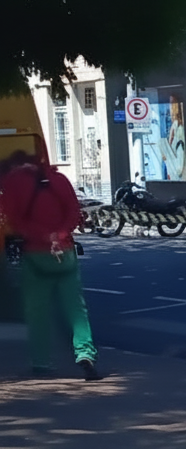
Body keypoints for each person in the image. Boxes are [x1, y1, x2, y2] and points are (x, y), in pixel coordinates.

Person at [0, 151, 102, 380]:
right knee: (76, 309)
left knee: (37, 311)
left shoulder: (11, 182)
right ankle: (85, 353)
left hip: (35, 254)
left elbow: (14, 221)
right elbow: (74, 212)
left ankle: (41, 362)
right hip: (65, 252)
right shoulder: (58, 179)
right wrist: (60, 235)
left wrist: (43, 237)